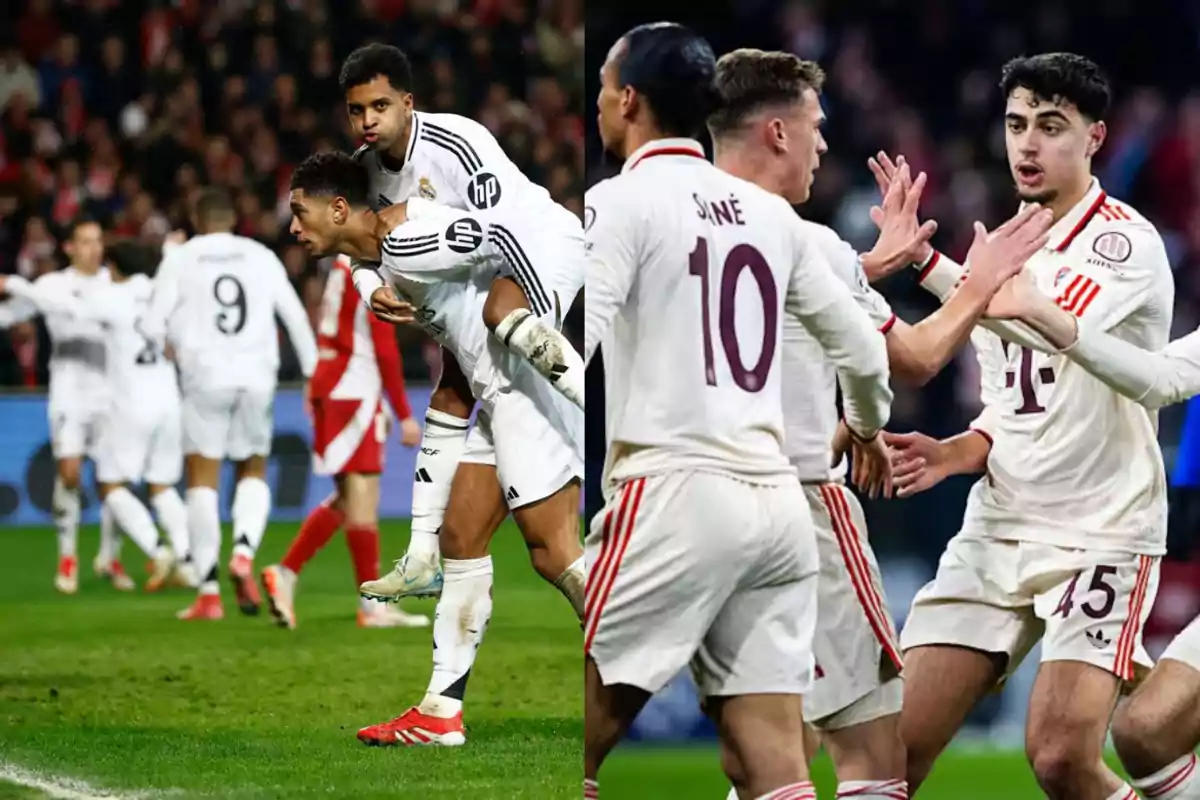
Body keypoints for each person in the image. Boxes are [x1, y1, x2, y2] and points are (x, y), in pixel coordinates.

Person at [706, 48, 1052, 800]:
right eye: (814, 126)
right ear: (776, 133)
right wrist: (981, 282)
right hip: (797, 507)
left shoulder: (676, 227)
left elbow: (780, 300)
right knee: (872, 758)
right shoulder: (809, 243)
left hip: (692, 505)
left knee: (767, 750)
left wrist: (868, 266)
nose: (823, 143)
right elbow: (918, 359)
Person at [583, 23, 896, 800]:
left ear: (627, 101)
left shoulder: (618, 202)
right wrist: (862, 422)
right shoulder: (773, 220)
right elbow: (864, 352)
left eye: (599, 88)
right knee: (772, 768)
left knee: (574, 734)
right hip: (776, 513)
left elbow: (570, 341)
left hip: (675, 492)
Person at [866, 53, 1173, 800]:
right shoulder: (1006, 246)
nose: (1028, 145)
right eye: (1016, 125)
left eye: (1052, 127)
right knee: (888, 755)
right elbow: (1010, 404)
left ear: (1096, 137)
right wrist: (957, 450)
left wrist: (933, 268)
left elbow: (1047, 328)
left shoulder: (1123, 244)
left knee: (1061, 759)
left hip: (1101, 533)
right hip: (1000, 526)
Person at [285, 150, 584, 747]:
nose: (293, 226)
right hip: (492, 394)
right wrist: (371, 286)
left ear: (338, 208)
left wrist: (523, 319)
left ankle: (648, 646)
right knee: (462, 539)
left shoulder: (413, 238)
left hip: (525, 388)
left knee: (554, 554)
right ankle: (440, 712)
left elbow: (505, 231)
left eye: (301, 211)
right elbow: (370, 262)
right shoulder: (381, 263)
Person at [938, 249, 1200, 799]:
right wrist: (1190, 475)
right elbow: (1171, 376)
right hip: (1051, 522)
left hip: (1095, 530)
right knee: (1146, 731)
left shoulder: (1130, 244)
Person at [338, 44, 588, 603]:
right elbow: (357, 245)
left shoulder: (455, 140)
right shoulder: (366, 172)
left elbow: (497, 230)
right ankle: (422, 558)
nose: (368, 121)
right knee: (452, 390)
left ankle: (604, 413)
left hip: (541, 244)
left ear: (407, 103)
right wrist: (371, 285)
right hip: (479, 280)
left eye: (380, 106)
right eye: (357, 111)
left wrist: (416, 216)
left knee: (500, 319)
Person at [141, 187, 319, 621]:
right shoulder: (260, 255)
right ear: (233, 220)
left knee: (202, 476)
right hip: (257, 375)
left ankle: (207, 589)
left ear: (198, 220)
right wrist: (314, 374)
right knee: (252, 468)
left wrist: (169, 348)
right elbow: (294, 316)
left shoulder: (181, 258)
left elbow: (150, 323)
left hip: (206, 375)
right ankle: (243, 550)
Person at [0, 241, 192, 590]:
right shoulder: (160, 290)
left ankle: (156, 550)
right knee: (162, 485)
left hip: (130, 401)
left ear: (114, 268)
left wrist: (14, 283)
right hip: (170, 400)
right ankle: (189, 560)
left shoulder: (111, 297)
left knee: (110, 484)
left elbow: (67, 306)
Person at [260, 255, 428, 630]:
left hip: (334, 384)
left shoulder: (343, 264)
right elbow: (384, 346)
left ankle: (285, 573)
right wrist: (403, 412)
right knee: (363, 497)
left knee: (349, 499)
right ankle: (372, 606)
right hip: (352, 390)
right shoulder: (370, 267)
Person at [0, 217, 136, 593]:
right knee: (71, 474)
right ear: (70, 248)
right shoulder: (52, 285)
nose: (94, 249)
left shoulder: (116, 284)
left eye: (98, 242)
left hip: (113, 393)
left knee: (115, 482)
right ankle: (68, 555)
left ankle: (110, 556)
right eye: (86, 242)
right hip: (69, 392)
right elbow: (13, 315)